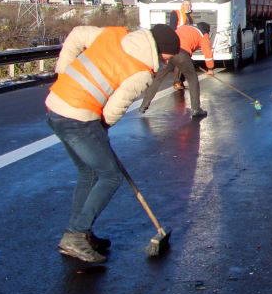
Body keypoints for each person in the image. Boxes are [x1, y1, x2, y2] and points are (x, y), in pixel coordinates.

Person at [46, 23, 180, 264]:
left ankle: (81, 231)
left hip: (56, 105)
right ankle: (75, 235)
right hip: (79, 117)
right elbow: (115, 107)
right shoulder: (141, 71)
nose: (171, 60)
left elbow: (76, 34)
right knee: (110, 176)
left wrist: (63, 71)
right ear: (162, 50)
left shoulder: (114, 35)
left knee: (88, 172)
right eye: (171, 55)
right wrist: (102, 127)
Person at [139, 21, 212, 118]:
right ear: (206, 30)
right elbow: (207, 52)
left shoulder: (185, 27)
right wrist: (210, 68)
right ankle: (196, 109)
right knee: (192, 80)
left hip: (168, 52)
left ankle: (143, 106)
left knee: (158, 78)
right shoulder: (204, 34)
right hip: (182, 54)